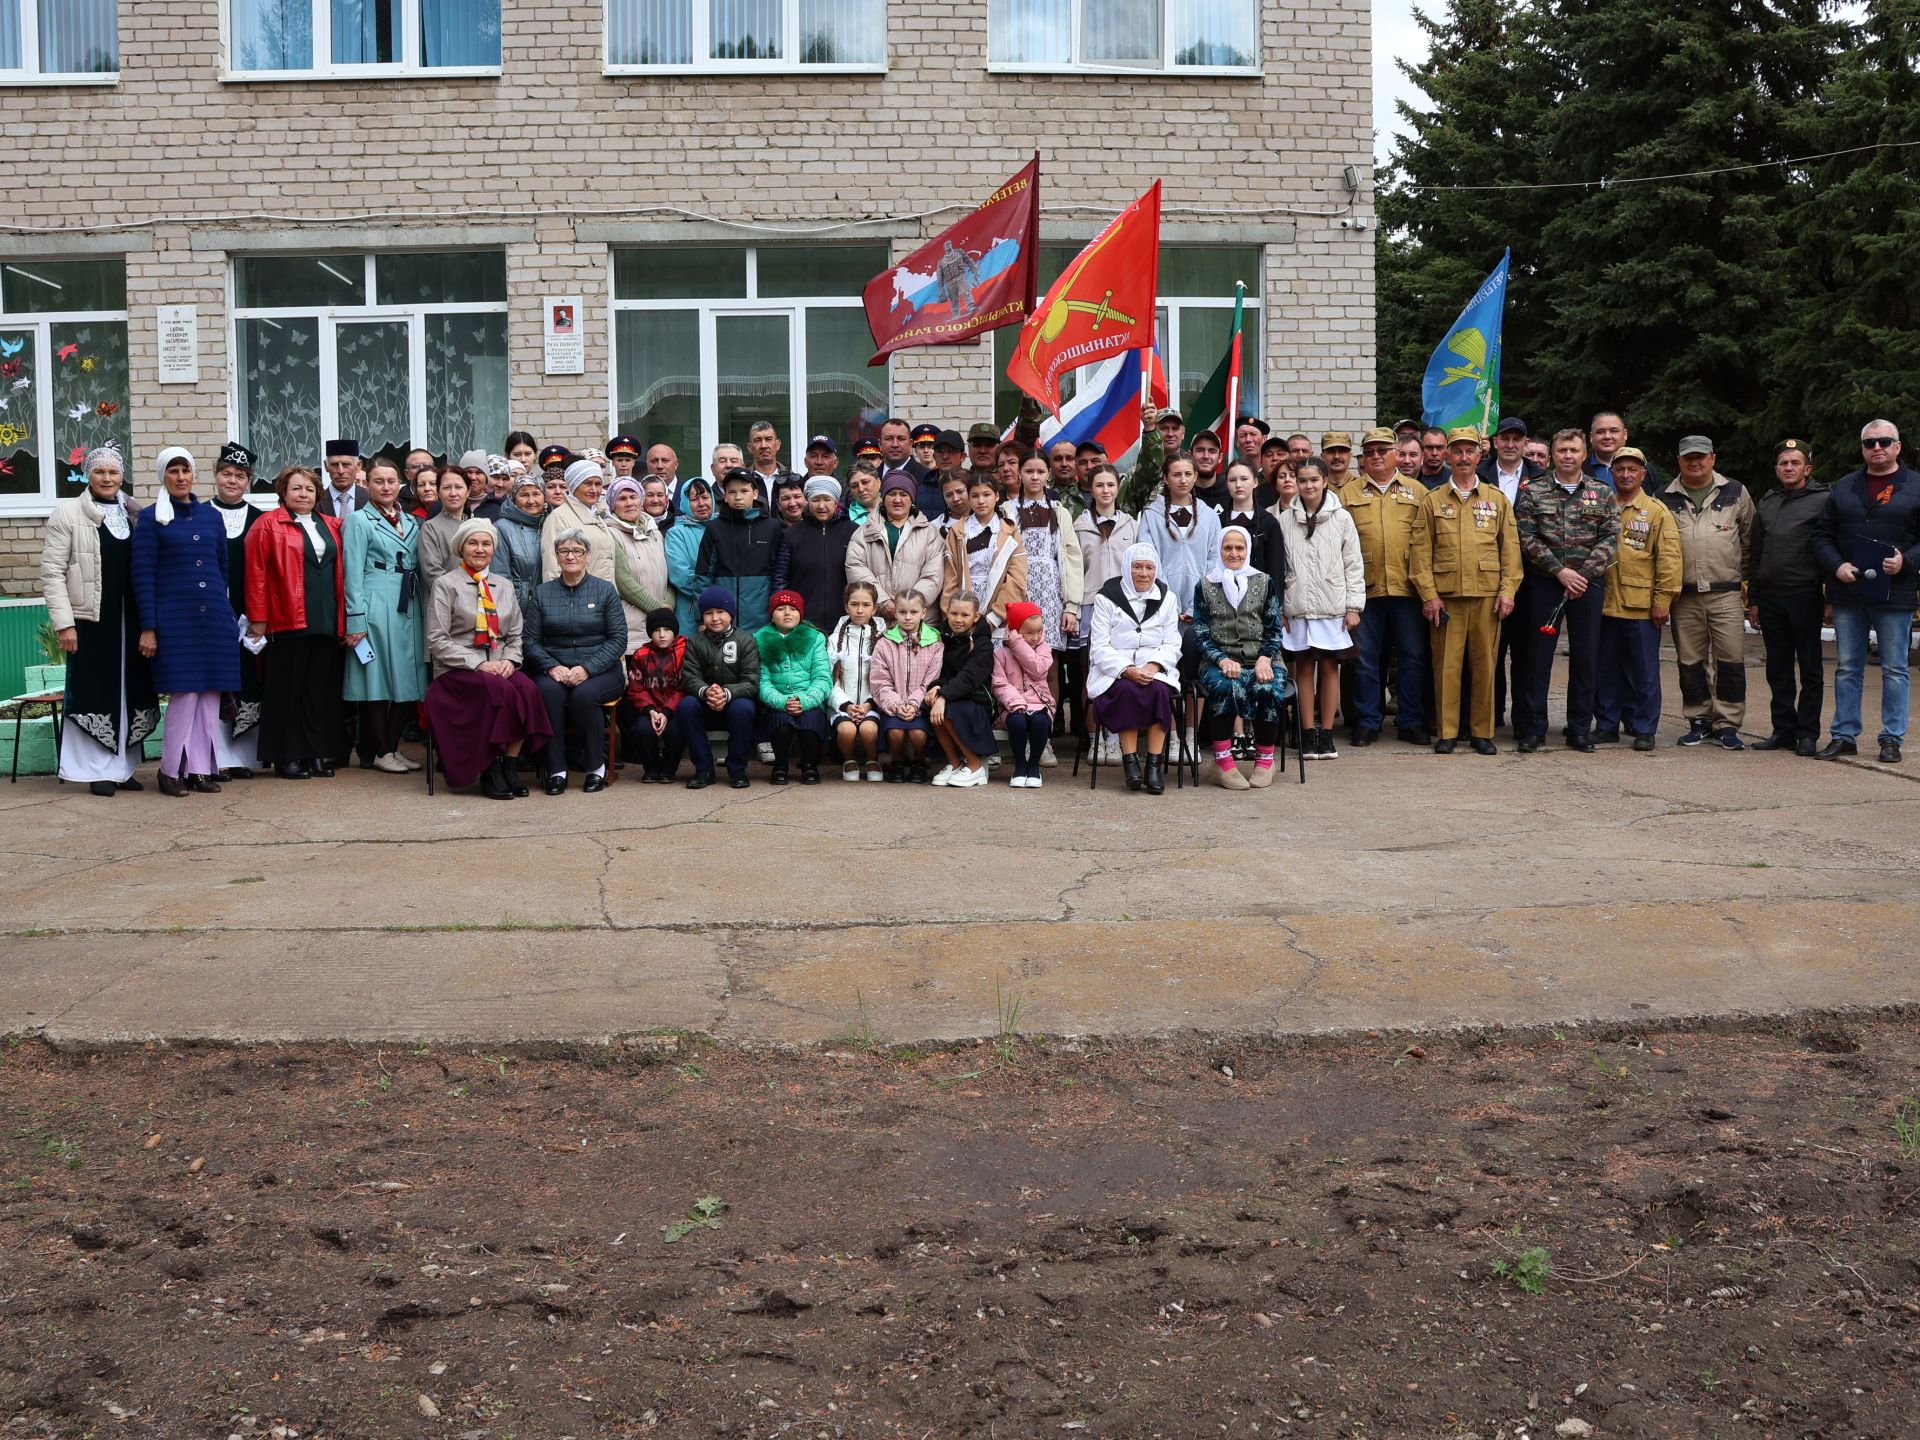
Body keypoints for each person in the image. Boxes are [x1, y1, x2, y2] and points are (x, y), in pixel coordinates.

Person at [40, 444, 158, 796]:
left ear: (122, 476)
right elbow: (52, 572)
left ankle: (124, 767)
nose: (107, 478)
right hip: (91, 620)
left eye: (113, 472)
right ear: (88, 475)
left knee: (131, 689)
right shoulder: (68, 513)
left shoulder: (134, 514)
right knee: (95, 690)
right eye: (99, 472)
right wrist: (64, 624)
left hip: (132, 620)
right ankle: (96, 769)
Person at [131, 447, 242, 796]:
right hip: (176, 622)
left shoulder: (211, 517)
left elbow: (221, 570)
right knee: (185, 695)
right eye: (173, 471)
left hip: (214, 620)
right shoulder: (151, 518)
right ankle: (169, 770)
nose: (181, 477)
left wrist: (225, 615)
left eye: (186, 471)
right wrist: (149, 628)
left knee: (209, 695)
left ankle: (198, 769)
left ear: (194, 475)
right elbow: (143, 575)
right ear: (163, 476)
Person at [1410, 428, 1523, 755]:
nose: (1462, 457)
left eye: (1469, 451)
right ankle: (1447, 732)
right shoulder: (1432, 501)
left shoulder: (1496, 499)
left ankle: (1481, 732)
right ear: (1447, 455)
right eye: (1456, 451)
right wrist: (1429, 594)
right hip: (1446, 600)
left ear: (1479, 456)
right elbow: (1420, 552)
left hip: (1488, 599)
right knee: (1446, 666)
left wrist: (1508, 591)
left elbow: (1510, 551)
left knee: (1486, 666)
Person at [1814, 419, 1920, 764]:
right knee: (1847, 667)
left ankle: (1891, 738)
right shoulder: (1844, 487)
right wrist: (1836, 566)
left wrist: (1907, 560)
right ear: (1862, 448)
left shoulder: (1916, 486)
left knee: (1894, 668)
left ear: (1898, 446)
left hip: (1896, 593)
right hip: (1849, 592)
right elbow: (1822, 536)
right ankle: (1844, 735)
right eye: (1870, 443)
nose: (1878, 448)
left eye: (1885, 442)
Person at [422, 518, 549, 800]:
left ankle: (509, 765)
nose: (480, 549)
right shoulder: (446, 585)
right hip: (458, 670)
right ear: (461, 547)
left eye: (486, 544)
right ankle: (490, 768)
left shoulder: (503, 585)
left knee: (527, 689)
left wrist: (510, 661)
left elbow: (516, 635)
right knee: (500, 690)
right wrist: (478, 663)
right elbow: (437, 639)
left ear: (493, 549)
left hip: (499, 664)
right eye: (473, 543)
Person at [1513, 428, 1620, 753]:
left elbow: (1610, 537)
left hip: (1587, 584)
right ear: (1553, 455)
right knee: (1537, 658)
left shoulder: (1602, 493)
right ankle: (1534, 729)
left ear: (1583, 454)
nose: (1568, 456)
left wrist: (1582, 574)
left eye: (1574, 450)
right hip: (1546, 583)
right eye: (1562, 450)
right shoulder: (1534, 490)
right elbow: (1526, 536)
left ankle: (1578, 730)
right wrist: (1559, 571)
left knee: (1586, 658)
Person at [243, 465, 348, 779]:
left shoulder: (332, 524)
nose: (304, 494)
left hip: (326, 620)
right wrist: (258, 620)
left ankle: (315, 753)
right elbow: (256, 576)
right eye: (297, 488)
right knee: (287, 692)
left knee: (319, 691)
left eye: (310, 489)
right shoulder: (267, 525)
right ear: (283, 493)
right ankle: (287, 757)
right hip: (287, 620)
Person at [1656, 435, 1754, 749]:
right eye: (1688, 457)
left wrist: (1749, 589)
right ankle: (1699, 719)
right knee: (1690, 661)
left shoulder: (1735, 492)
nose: (1694, 462)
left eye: (1701, 456)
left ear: (1713, 458)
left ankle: (1727, 723)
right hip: (1683, 596)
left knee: (1730, 661)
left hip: (1725, 593)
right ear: (1679, 460)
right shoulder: (1664, 496)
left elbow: (1750, 541)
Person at [1340, 429, 1429, 746]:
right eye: (1370, 451)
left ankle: (1410, 720)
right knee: (1364, 659)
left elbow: (1427, 543)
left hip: (1408, 590)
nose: (1376, 456)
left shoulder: (1418, 492)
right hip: (1365, 591)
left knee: (1412, 658)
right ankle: (1367, 721)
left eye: (1383, 450)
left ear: (1396, 453)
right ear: (1362, 459)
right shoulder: (1347, 495)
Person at [340, 456, 426, 773]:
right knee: (376, 680)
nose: (386, 486)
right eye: (379, 481)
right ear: (367, 484)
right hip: (376, 600)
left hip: (409, 602)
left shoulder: (412, 522)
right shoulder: (358, 522)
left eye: (391, 481)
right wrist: (356, 619)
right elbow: (352, 574)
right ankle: (381, 750)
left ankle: (392, 746)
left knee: (408, 677)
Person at [526, 528, 627, 795]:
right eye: (564, 551)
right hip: (555, 669)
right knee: (546, 693)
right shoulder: (542, 593)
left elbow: (618, 640)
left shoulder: (605, 590)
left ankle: (596, 767)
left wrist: (587, 668)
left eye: (577, 551)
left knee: (583, 696)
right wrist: (551, 666)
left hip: (601, 670)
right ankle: (556, 770)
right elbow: (530, 641)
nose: (571, 556)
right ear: (556, 556)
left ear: (587, 555)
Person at [1595, 449, 1682, 751]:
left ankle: (1645, 727)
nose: (1626, 474)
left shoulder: (1656, 511)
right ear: (1612, 473)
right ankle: (1607, 725)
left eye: (1632, 469)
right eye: (1620, 469)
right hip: (1604, 603)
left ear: (1643, 474)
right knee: (1605, 669)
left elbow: (1669, 560)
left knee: (1644, 671)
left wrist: (1663, 600)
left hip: (1641, 605)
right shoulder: (1602, 505)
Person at [1192, 526, 1290, 789]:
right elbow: (1200, 633)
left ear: (1247, 551)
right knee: (1225, 686)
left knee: (1266, 687)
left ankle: (1265, 761)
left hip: (1263, 658)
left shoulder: (1264, 581)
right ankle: (1222, 763)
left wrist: (1265, 658)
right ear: (1220, 551)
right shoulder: (1205, 584)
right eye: (1228, 548)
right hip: (1218, 660)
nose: (1233, 553)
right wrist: (1221, 659)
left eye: (1239, 548)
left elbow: (1273, 628)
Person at [1747, 439, 1828, 755]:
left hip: (1804, 594)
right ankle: (1783, 730)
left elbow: (1829, 549)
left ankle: (1807, 733)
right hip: (1770, 596)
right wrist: (1753, 599)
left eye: (1795, 463)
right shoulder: (1767, 501)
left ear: (1807, 468)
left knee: (1810, 668)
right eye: (1783, 463)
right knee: (1777, 668)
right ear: (1777, 468)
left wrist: (1831, 597)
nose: (1789, 468)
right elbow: (1756, 554)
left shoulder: (1823, 500)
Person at [1278, 467, 1364, 760]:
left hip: (1332, 605)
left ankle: (1326, 733)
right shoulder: (1285, 519)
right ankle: (1306, 733)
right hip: (1298, 604)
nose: (1308, 485)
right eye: (1302, 480)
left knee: (1329, 668)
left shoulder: (1342, 517)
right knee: (1303, 669)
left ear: (1325, 481)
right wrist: (1280, 606)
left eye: (1314, 480)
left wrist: (1353, 607)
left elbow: (1353, 563)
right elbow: (1280, 566)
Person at [1139, 455, 1222, 749]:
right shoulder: (1150, 514)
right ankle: (1171, 736)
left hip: (1199, 610)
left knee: (1196, 671)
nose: (1183, 479)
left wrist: (1196, 603)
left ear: (1195, 477)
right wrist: (1169, 604)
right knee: (1166, 673)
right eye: (1176, 474)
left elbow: (1214, 560)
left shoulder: (1210, 515)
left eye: (1188, 473)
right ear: (1165, 478)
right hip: (1164, 611)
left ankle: (1191, 735)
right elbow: (1149, 559)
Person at [1002, 452, 1085, 738]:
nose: (1035, 477)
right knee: (1016, 658)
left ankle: (1045, 730)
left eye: (1040, 471)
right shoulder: (1007, 510)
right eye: (1029, 471)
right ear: (1020, 474)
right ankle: (1019, 723)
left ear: (1048, 474)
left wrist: (1071, 605)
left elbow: (1072, 558)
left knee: (1050, 662)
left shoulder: (1059, 512)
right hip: (1019, 587)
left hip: (1052, 590)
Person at [1086, 542, 1180, 794]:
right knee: (1127, 691)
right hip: (1115, 669)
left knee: (1159, 691)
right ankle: (1130, 763)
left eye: (1149, 568)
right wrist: (1126, 668)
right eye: (1137, 567)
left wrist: (1153, 665)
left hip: (1154, 667)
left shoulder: (1167, 598)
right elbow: (1099, 646)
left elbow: (1173, 642)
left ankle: (1153, 765)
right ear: (1127, 568)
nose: (1143, 573)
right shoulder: (1106, 597)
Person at [1071, 464, 1139, 760]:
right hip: (1091, 606)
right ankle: (1096, 736)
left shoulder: (1132, 525)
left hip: (1124, 608)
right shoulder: (1078, 526)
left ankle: (1115, 737)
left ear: (1117, 486)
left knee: (1120, 673)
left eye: (1110, 485)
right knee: (1094, 674)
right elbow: (1074, 570)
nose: (1106, 490)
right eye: (1099, 485)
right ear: (1091, 489)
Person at [208, 442, 265, 779]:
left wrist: (256, 617)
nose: (232, 481)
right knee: (214, 685)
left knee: (246, 683)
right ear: (216, 477)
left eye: (239, 476)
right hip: (211, 616)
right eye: (226, 474)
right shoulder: (200, 514)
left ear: (248, 481)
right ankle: (214, 757)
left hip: (247, 618)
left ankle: (242, 758)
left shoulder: (260, 520)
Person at [678, 586, 760, 790]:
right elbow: (689, 677)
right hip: (706, 703)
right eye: (708, 613)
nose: (715, 618)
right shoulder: (695, 642)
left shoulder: (745, 640)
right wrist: (707, 692)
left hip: (733, 704)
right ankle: (704, 769)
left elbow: (751, 681)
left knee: (744, 708)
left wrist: (726, 693)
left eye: (720, 612)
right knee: (686, 706)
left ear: (730, 614)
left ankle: (737, 769)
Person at [755, 588, 831, 785]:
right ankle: (780, 766)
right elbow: (762, 681)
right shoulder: (759, 640)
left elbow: (822, 678)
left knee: (810, 720)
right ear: (772, 616)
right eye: (781, 609)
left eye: (792, 609)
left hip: (808, 699)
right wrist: (782, 701)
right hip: (778, 700)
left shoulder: (814, 638)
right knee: (781, 723)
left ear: (801, 614)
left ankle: (809, 765)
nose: (787, 613)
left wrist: (804, 700)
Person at [695, 467, 781, 631]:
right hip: (722, 621)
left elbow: (778, 574)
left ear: (755, 494)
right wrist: (702, 618)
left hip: (762, 622)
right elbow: (703, 576)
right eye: (732, 492)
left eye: (744, 491)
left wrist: (776, 614)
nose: (738, 497)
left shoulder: (771, 526)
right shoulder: (715, 528)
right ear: (725, 496)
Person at [942, 473, 1028, 638]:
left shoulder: (1010, 532)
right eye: (975, 495)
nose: (981, 501)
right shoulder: (957, 531)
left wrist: (995, 617)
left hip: (998, 612)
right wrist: (952, 615)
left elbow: (1017, 578)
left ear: (996, 496)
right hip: (962, 611)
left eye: (986, 494)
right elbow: (950, 579)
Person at [926, 590, 997, 787]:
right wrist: (935, 688)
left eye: (965, 615)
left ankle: (975, 766)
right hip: (953, 697)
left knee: (946, 709)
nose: (958, 619)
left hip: (978, 702)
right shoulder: (943, 637)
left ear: (976, 617)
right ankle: (955, 763)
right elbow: (940, 672)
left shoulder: (983, 644)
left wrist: (943, 696)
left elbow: (968, 678)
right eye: (954, 614)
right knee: (928, 704)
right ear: (947, 612)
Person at [871, 590, 941, 783]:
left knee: (918, 734)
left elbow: (931, 680)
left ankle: (918, 761)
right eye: (902, 612)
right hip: (893, 704)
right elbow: (880, 681)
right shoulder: (885, 643)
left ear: (923, 613)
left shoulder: (935, 642)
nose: (908, 617)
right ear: (895, 613)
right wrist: (897, 705)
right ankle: (897, 762)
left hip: (920, 705)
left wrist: (913, 704)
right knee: (895, 732)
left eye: (913, 612)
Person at [772, 476, 857, 630]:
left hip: (845, 622)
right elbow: (780, 579)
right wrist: (786, 612)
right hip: (803, 622)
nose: (822, 506)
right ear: (807, 501)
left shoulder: (853, 531)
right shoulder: (791, 535)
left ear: (836, 502)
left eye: (827, 499)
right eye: (816, 500)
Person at [992, 601, 1054, 788]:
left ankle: (1033, 766)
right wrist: (1015, 702)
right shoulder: (1001, 654)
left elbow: (1039, 670)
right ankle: (1020, 766)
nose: (1036, 637)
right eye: (1029, 633)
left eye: (1039, 631)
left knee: (1040, 722)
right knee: (1017, 722)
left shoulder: (1044, 649)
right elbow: (999, 683)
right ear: (1015, 630)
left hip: (1039, 703)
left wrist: (1018, 644)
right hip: (1011, 705)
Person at [827, 580, 885, 782]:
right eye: (854, 604)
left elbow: (886, 678)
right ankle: (849, 760)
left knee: (869, 730)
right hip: (843, 704)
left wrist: (869, 704)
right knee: (847, 730)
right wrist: (846, 705)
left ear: (875, 608)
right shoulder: (835, 640)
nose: (860, 610)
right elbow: (828, 679)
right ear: (846, 606)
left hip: (872, 703)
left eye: (866, 605)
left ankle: (872, 760)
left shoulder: (884, 639)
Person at [623, 607, 689, 784]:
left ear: (674, 632)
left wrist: (667, 712)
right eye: (656, 631)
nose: (662, 635)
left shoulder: (685, 652)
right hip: (649, 709)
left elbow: (684, 688)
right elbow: (636, 689)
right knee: (642, 729)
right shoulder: (641, 655)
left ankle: (669, 768)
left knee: (676, 731)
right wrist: (651, 710)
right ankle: (651, 768)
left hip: (674, 709)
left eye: (667, 630)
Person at [604, 477, 671, 643]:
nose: (629, 503)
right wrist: (657, 607)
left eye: (633, 497)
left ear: (641, 500)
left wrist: (668, 604)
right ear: (613, 504)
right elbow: (623, 581)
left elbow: (668, 574)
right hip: (632, 626)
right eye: (622, 498)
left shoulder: (654, 532)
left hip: (661, 624)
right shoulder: (610, 534)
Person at [542, 459, 615, 583]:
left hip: (604, 597)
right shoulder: (558, 517)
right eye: (587, 483)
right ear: (574, 486)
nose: (594, 490)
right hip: (577, 599)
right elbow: (553, 569)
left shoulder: (599, 514)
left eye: (598, 484)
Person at [1218, 460, 1287, 583]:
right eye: (1232, 480)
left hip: (1260, 596)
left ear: (1255, 482)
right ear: (1227, 484)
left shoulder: (1268, 522)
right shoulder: (1218, 522)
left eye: (1244, 479)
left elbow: (1276, 571)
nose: (1238, 484)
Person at [490, 472, 548, 607]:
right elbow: (500, 576)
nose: (531, 501)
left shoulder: (552, 524)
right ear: (514, 499)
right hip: (518, 608)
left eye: (536, 494)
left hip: (549, 608)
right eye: (524, 495)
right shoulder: (501, 528)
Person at [666, 477, 714, 634]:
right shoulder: (676, 533)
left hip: (722, 611)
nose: (701, 504)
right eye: (694, 499)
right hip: (690, 612)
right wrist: (713, 597)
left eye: (705, 497)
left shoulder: (721, 527)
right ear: (686, 502)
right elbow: (680, 575)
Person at [416, 464, 472, 591]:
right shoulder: (431, 528)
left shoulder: (474, 526)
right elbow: (433, 573)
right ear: (439, 493)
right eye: (446, 487)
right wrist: (464, 594)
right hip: (445, 603)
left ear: (468, 491)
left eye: (458, 487)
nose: (453, 493)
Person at [1584, 411, 1664, 491]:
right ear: (1591, 437)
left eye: (1614, 431)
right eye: (1600, 432)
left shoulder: (1647, 471)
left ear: (1625, 434)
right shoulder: (1578, 470)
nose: (1607, 436)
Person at [316, 438, 369, 520]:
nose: (340, 471)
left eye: (346, 464)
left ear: (358, 466)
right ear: (326, 466)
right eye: (334, 465)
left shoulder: (371, 499)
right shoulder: (316, 501)